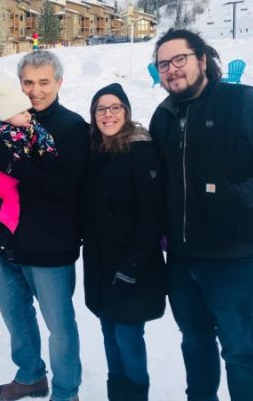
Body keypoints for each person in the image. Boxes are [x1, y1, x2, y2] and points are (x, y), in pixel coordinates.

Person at [149, 28, 253, 401]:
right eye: (163, 64)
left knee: (241, 352)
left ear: (202, 60)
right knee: (195, 341)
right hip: (181, 259)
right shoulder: (163, 116)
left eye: (180, 59)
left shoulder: (241, 102)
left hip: (234, 260)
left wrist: (234, 198)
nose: (172, 69)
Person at [0, 50, 89, 401]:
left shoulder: (72, 127)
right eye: (28, 83)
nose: (35, 91)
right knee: (14, 313)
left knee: (59, 327)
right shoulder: (5, 121)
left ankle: (65, 392)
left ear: (59, 82)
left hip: (51, 246)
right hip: (9, 240)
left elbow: (62, 184)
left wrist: (13, 165)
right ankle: (31, 376)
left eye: (44, 82)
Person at [82, 83, 166, 401]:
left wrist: (131, 265)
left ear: (126, 112)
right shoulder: (95, 152)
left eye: (115, 107)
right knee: (109, 335)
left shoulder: (141, 151)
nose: (108, 114)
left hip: (133, 268)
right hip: (102, 265)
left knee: (128, 339)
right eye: (101, 109)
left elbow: (152, 215)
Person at [0, 73, 57, 257]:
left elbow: (45, 137)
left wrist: (48, 154)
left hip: (11, 178)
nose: (28, 114)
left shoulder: (30, 125)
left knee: (13, 204)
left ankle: (4, 238)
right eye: (22, 111)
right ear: (6, 114)